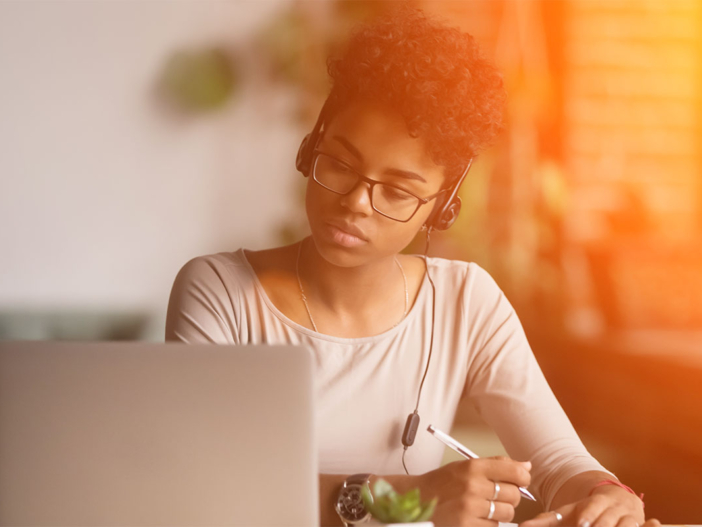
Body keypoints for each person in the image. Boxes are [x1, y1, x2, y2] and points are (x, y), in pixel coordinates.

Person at [165, 7, 659, 527]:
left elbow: (558, 464)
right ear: (311, 147)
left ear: (440, 207)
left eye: (398, 191)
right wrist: (405, 497)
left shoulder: (466, 301)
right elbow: (204, 482)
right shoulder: (219, 291)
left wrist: (608, 495)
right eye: (339, 163)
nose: (356, 202)